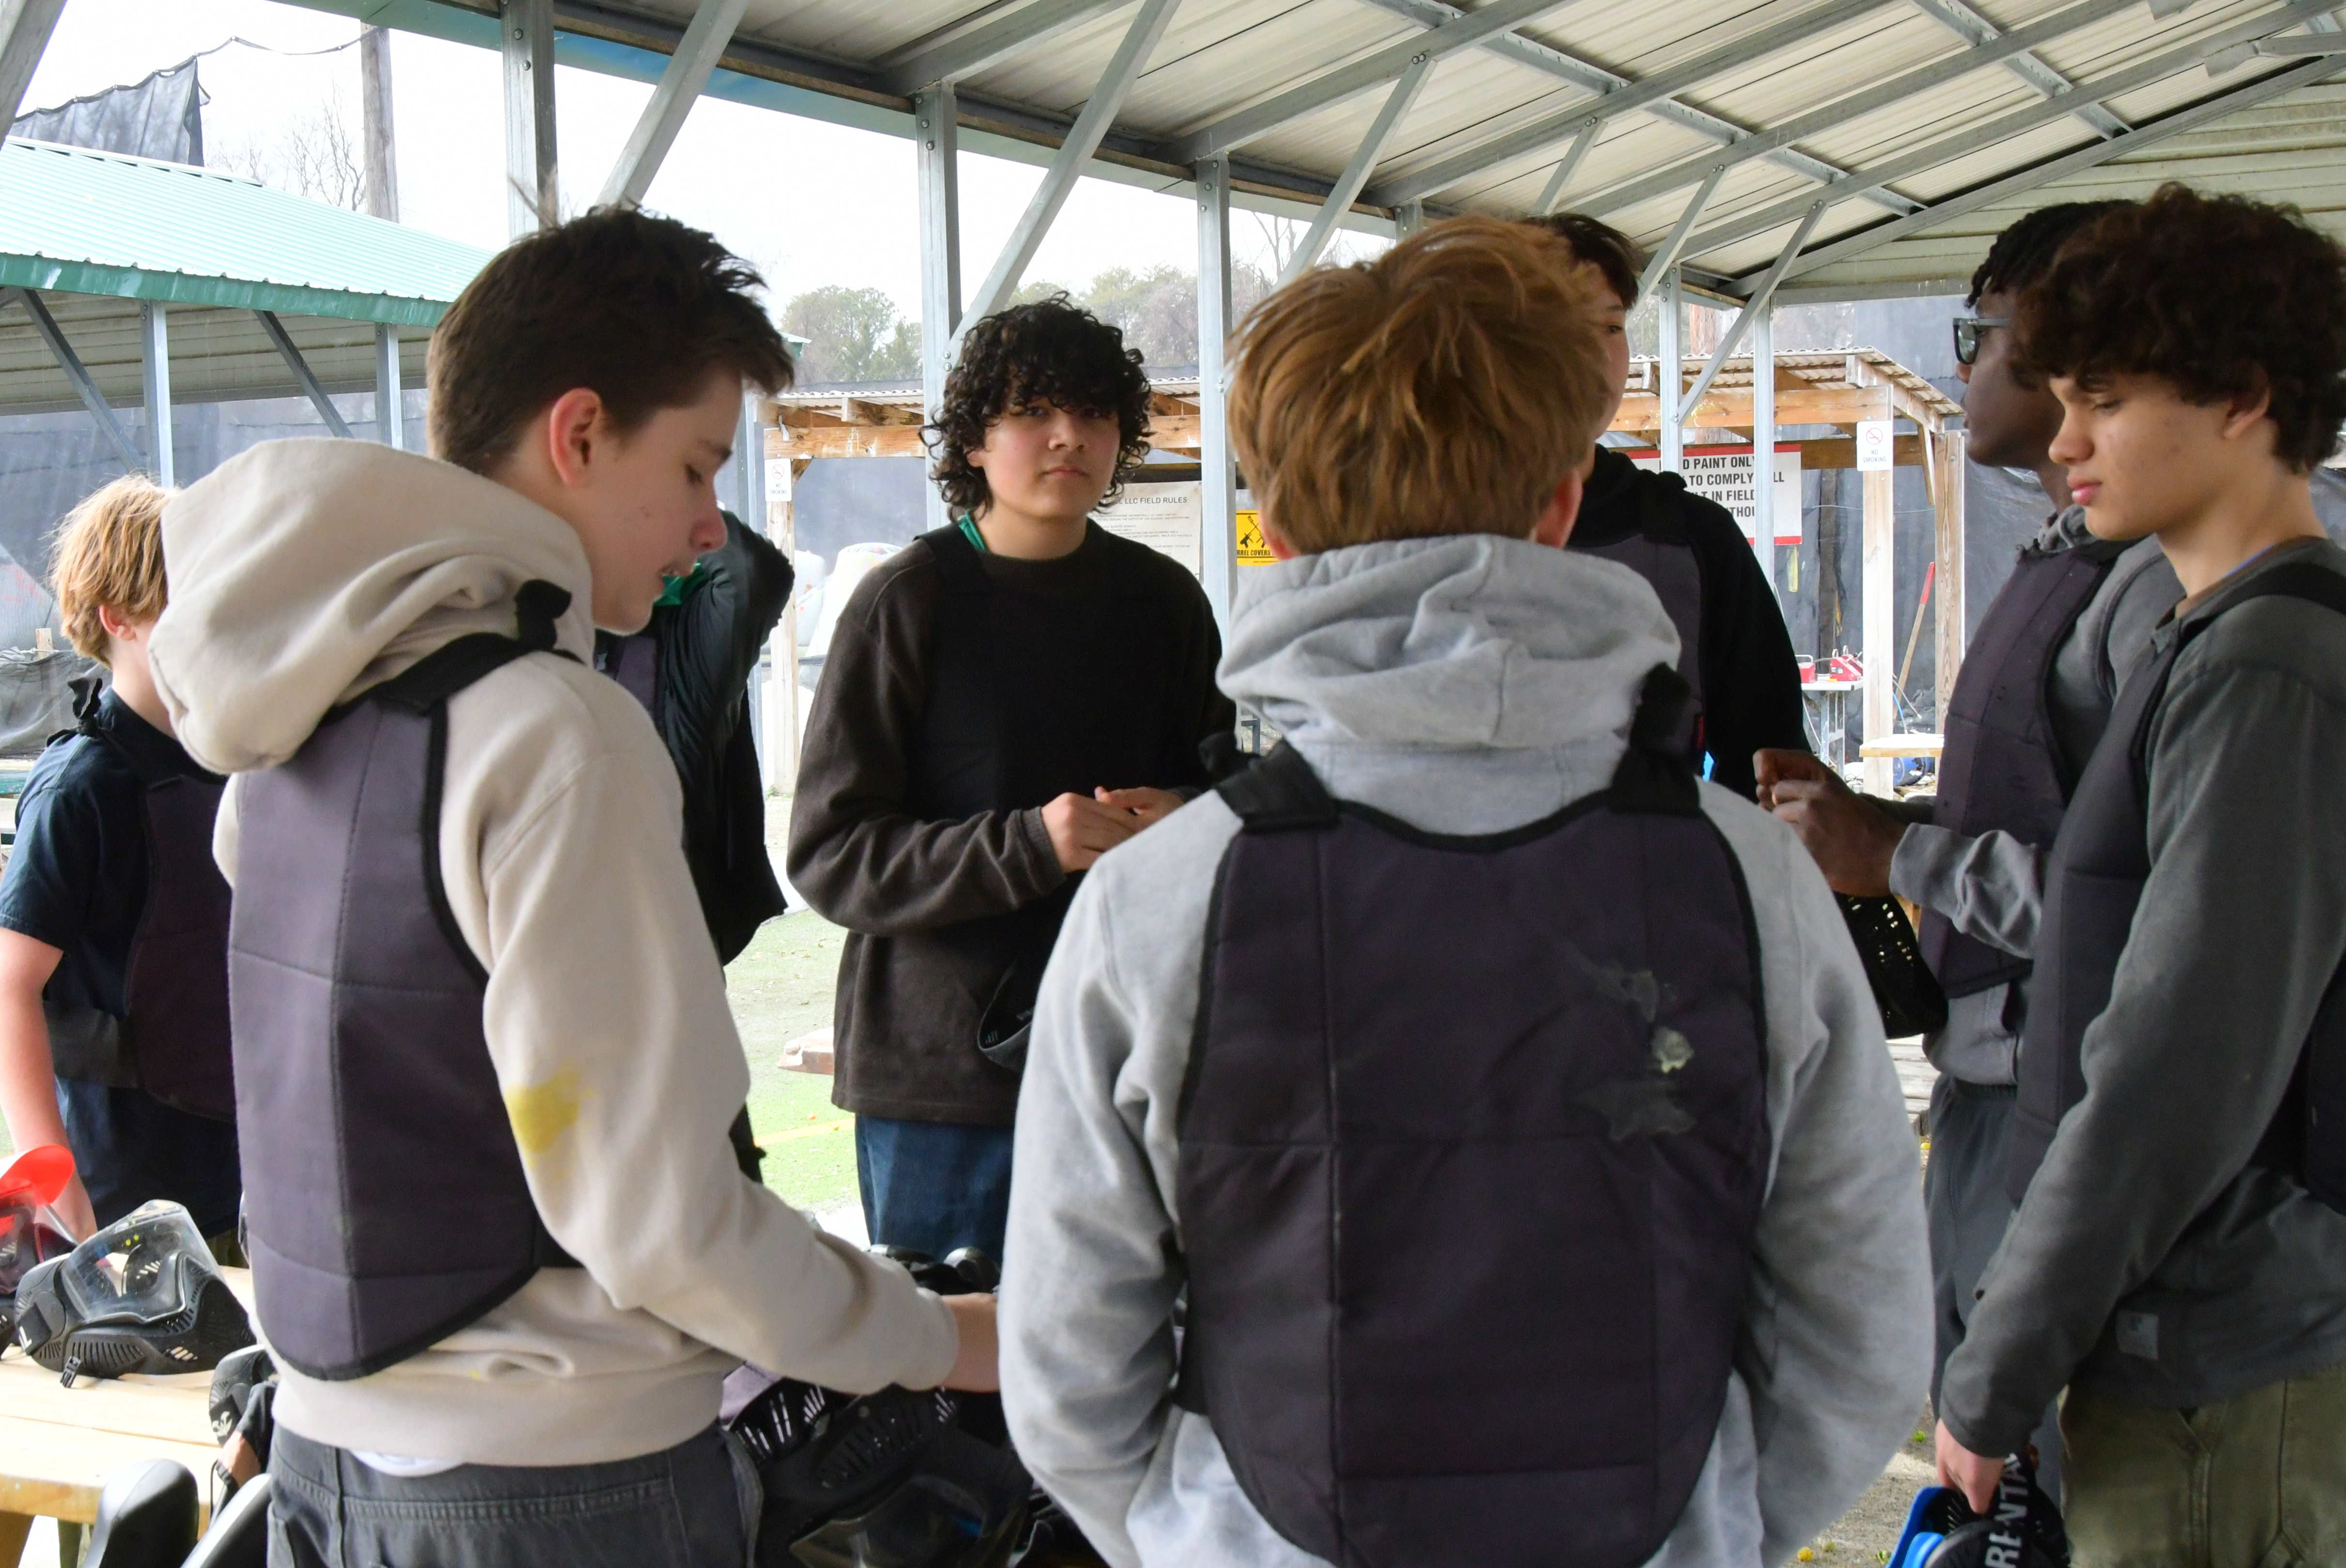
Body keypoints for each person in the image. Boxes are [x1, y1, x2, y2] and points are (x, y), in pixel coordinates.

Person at [999, 216, 1930, 1568]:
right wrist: (1710, 1522)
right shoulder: (1749, 878)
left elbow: (1068, 1363)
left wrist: (1202, 1537)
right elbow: (1860, 1330)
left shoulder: (1160, 898)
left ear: (1280, 524)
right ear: (1561, 503)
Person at [144, 209, 995, 1568]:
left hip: (322, 1457)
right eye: (696, 464)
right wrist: (939, 1337)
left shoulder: (293, 721)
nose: (711, 526)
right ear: (580, 432)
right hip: (556, 1489)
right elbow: (660, 1223)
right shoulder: (555, 732)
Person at [1928, 185, 2346, 1563]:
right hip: (2188, 1334)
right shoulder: (2213, 633)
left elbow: (2177, 1063)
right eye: (2060, 399)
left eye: (2102, 401)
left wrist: (1998, 1363)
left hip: (2225, 1364)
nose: (2065, 443)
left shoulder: (2266, 667)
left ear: (2242, 397)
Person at [1754, 201, 2180, 1497]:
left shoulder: (2162, 597)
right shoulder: (2070, 559)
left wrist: (1902, 858)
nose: (1966, 368)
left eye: (1979, 333)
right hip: (1997, 1073)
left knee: (2039, 1472)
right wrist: (1881, 829)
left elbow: (2160, 912)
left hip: (2076, 1101)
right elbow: (2064, 824)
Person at [787, 296, 1234, 1265]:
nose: (1069, 436)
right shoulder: (907, 601)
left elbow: (1231, 796)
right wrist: (1030, 845)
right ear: (973, 442)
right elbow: (832, 854)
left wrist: (1191, 815)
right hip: (947, 1086)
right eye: (1033, 412)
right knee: (955, 1350)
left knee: (1142, 1345)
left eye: (1094, 412)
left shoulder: (1164, 602)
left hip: (1134, 1059)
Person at [0, 476, 238, 1249]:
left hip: (246, 1169)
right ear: (119, 618)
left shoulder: (239, 765)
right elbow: (10, 987)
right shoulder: (82, 788)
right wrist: (54, 1183)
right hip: (125, 1190)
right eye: (185, 599)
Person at [1529, 212, 1808, 797]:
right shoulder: (1428, 530)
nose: (1596, 355)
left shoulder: (1693, 540)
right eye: (1564, 327)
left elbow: (1770, 764)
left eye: (1611, 327)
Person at [595, 508, 792, 965]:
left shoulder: (691, 638)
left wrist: (660, 498)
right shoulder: (542, 626)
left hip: (664, 932)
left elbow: (752, 575)